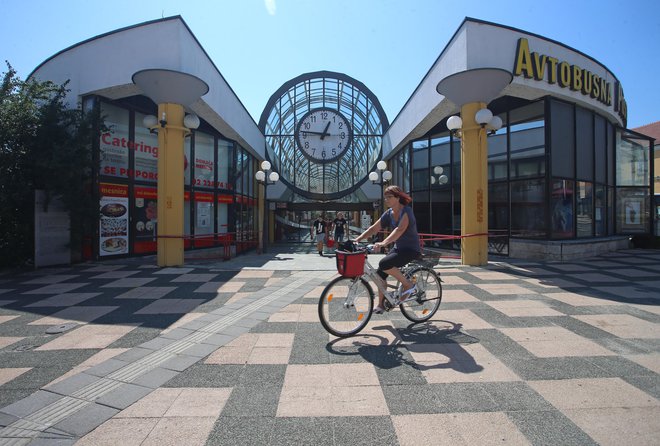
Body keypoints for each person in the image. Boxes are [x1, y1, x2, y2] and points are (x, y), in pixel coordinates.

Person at [355, 185, 420, 314]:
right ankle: (380, 305)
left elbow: (399, 230)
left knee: (384, 263)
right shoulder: (389, 213)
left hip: (411, 249)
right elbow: (374, 228)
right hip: (399, 248)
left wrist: (383, 243)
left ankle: (408, 284)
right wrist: (358, 239)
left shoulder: (406, 211)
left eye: (389, 197)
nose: (386, 200)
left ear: (397, 197)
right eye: (385, 198)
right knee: (380, 275)